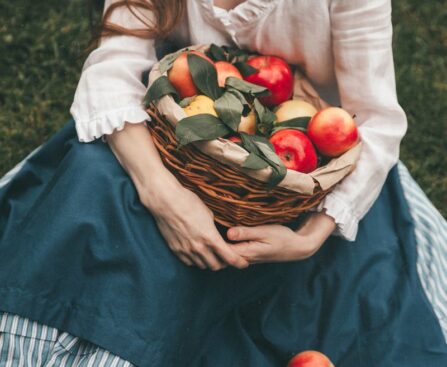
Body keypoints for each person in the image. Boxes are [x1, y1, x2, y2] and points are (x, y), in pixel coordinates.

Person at [0, 0, 446, 365]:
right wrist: (161, 194)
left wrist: (309, 238)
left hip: (300, 180)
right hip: (173, 140)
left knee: (349, 309)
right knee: (91, 211)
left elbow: (376, 123)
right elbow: (114, 66)